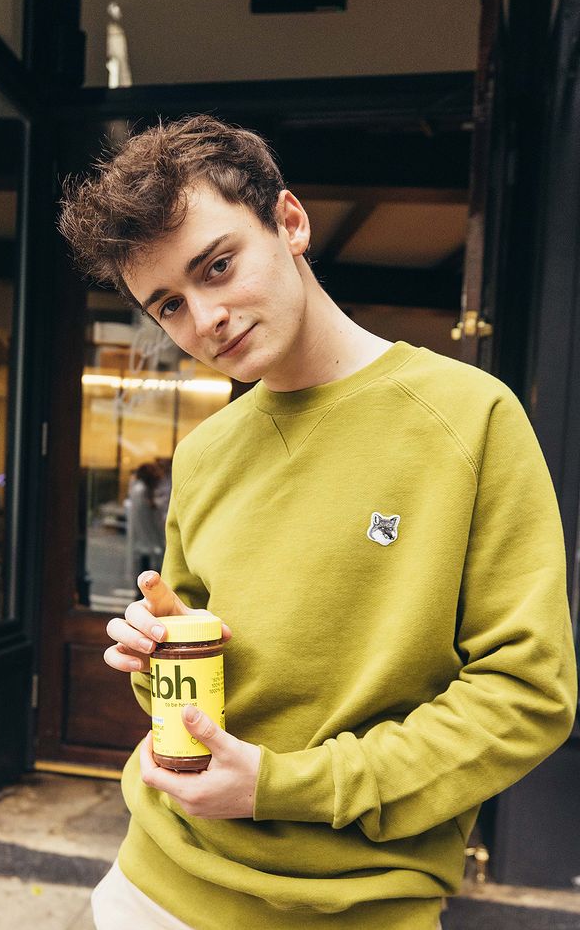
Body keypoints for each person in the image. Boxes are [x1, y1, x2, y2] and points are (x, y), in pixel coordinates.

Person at [58, 116, 577, 930]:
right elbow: (202, 690)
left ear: (291, 222)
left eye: (218, 265)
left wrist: (282, 785)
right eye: (169, 304)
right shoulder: (203, 457)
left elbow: (527, 694)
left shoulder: (470, 418)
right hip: (151, 883)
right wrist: (158, 657)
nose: (206, 318)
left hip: (351, 908)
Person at [126, 462, 165, 578]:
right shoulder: (143, 493)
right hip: (149, 545)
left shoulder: (137, 491)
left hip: (143, 544)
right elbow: (154, 523)